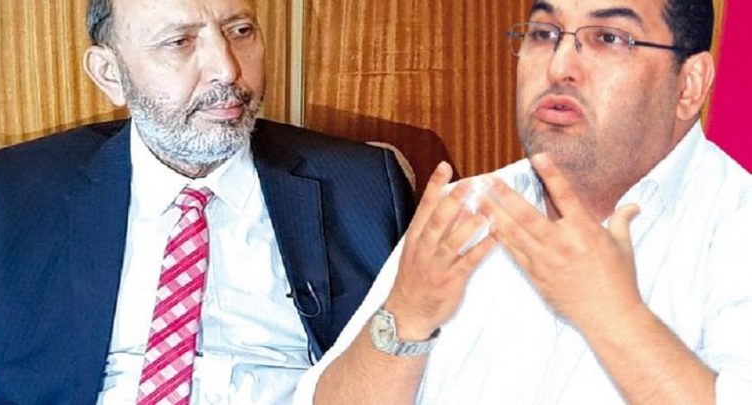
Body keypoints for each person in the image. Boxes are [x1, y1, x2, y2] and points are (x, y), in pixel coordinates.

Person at [295, 0, 752, 403]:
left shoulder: (736, 226)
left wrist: (614, 318)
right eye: (544, 34)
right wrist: (406, 316)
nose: (559, 67)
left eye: (609, 38)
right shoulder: (464, 208)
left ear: (689, 85)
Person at [0, 0, 414, 403]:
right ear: (110, 73)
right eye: (179, 42)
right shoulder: (7, 197)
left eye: (240, 31)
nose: (226, 69)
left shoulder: (365, 186)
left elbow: (419, 361)